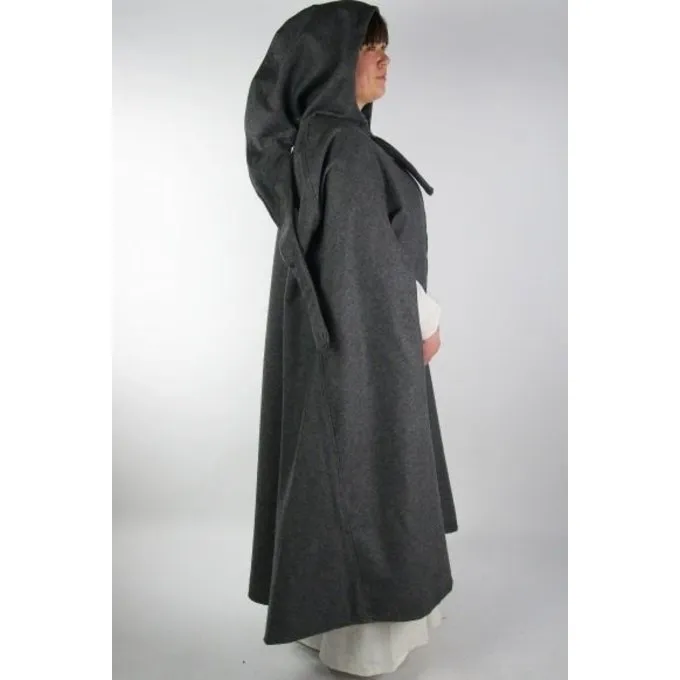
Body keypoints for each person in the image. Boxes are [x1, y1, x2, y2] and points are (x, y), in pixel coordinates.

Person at [244, 1, 459, 676]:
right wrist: (424, 318)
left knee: (337, 463)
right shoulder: (345, 148)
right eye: (369, 46)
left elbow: (348, 259)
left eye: (383, 45)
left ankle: (330, 624)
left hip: (344, 348)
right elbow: (369, 260)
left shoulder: (321, 143)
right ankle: (366, 638)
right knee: (368, 466)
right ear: (327, 65)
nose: (384, 57)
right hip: (365, 348)